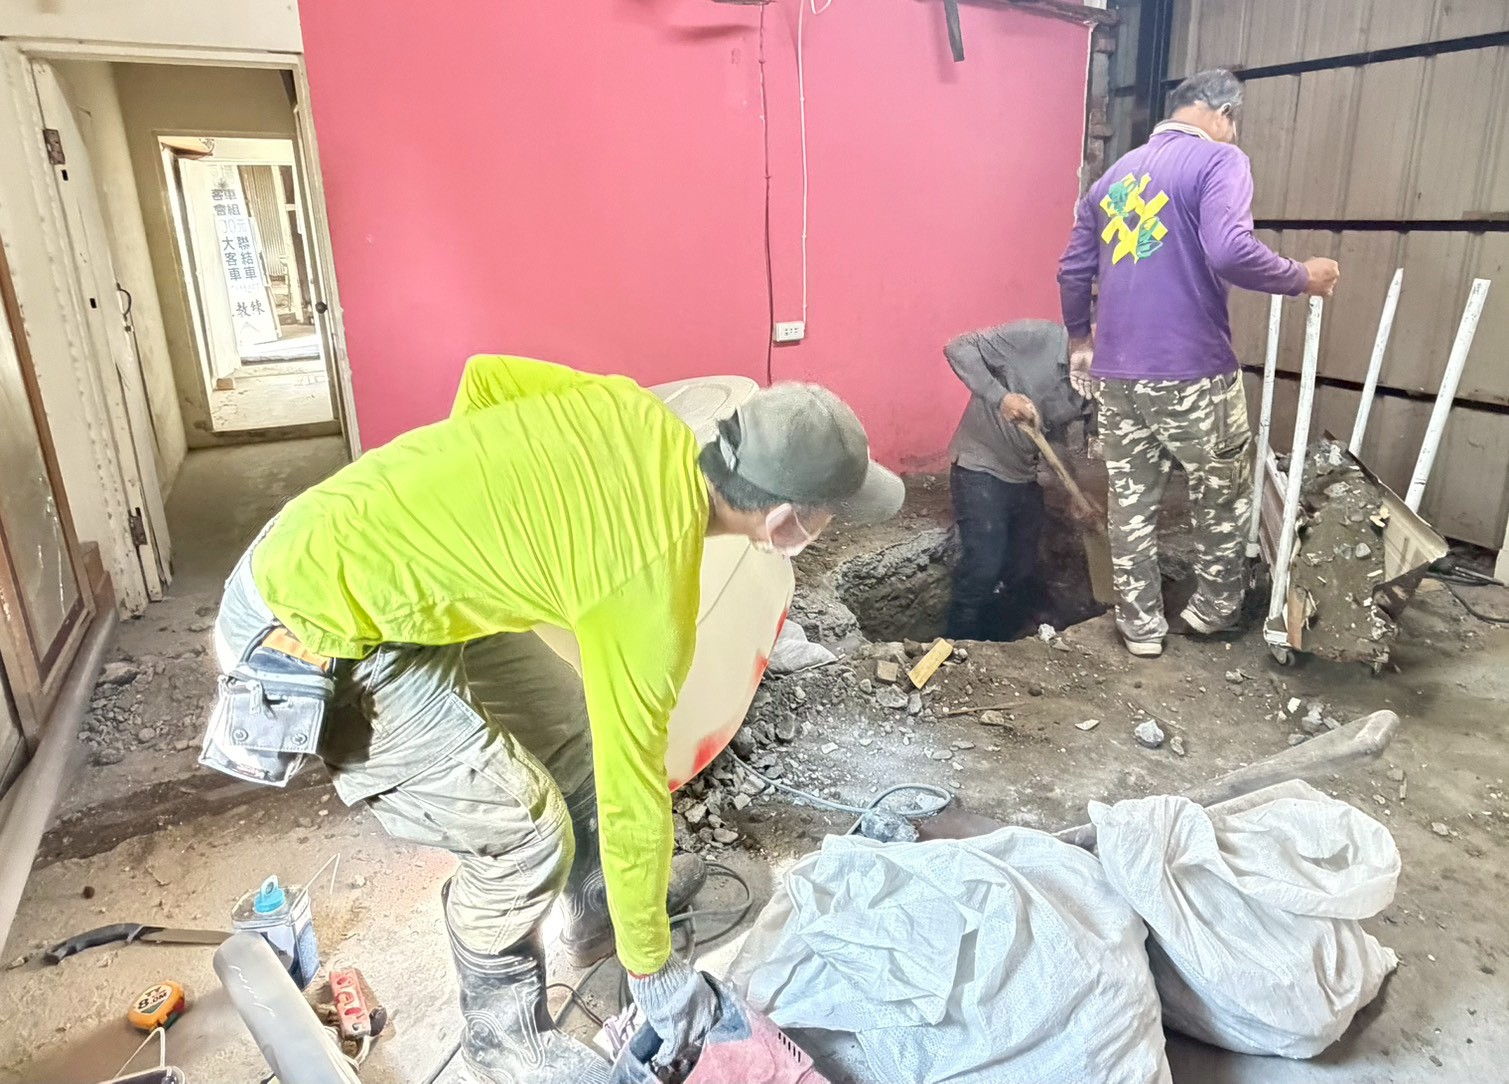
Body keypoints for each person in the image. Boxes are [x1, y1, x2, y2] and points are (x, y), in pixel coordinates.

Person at [200, 356, 903, 1082]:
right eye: (832, 514)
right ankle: (502, 1040)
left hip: (345, 550)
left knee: (573, 727)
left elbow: (485, 379)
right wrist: (655, 972)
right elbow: (634, 793)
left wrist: (472, 533)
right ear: (786, 523)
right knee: (523, 833)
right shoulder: (648, 590)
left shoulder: (637, 412)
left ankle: (597, 907)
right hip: (313, 627)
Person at [1057, 68, 1340, 658]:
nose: (1234, 133)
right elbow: (1230, 250)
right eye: (1235, 123)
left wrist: (1081, 340)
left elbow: (1072, 270)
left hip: (1117, 374)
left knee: (1131, 502)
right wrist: (1300, 277)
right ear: (1223, 113)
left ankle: (1140, 627)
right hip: (1192, 371)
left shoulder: (1112, 177)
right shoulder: (1219, 161)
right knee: (1222, 493)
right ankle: (1213, 612)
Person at [943, 319, 1092, 641]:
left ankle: (1003, 640)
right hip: (979, 466)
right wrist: (1002, 397)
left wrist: (1073, 491)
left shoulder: (1089, 383)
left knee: (1022, 568)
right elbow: (957, 348)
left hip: (1025, 476)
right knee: (984, 566)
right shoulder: (1036, 337)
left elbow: (1052, 438)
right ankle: (958, 640)